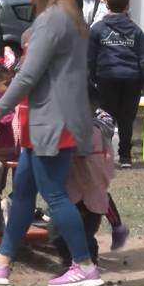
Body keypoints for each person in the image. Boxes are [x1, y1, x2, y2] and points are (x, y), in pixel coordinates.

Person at [0, 0, 103, 286]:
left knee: (54, 195)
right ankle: (1, 262)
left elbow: (27, 77)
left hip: (51, 122)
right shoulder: (66, 17)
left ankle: (84, 266)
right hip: (46, 120)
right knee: (24, 194)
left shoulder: (52, 19)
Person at [87, 0, 144, 169]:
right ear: (127, 5)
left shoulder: (97, 29)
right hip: (132, 79)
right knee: (126, 119)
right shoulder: (136, 31)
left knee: (105, 118)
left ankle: (105, 155)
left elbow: (90, 57)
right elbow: (143, 59)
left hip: (106, 78)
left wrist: (89, 79)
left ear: (106, 4)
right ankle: (125, 157)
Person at [53, 108, 119, 264]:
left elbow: (106, 169)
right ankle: (70, 262)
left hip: (92, 195)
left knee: (86, 235)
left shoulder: (98, 133)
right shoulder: (64, 128)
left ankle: (89, 263)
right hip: (71, 193)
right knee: (57, 235)